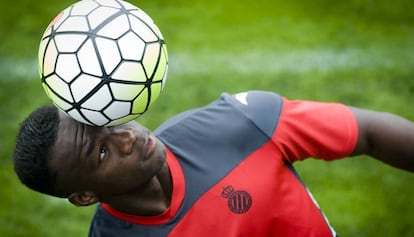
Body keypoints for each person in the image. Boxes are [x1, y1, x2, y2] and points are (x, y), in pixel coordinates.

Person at [13, 90, 414, 237]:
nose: (128, 137)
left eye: (111, 123)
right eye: (101, 152)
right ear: (84, 195)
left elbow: (368, 132)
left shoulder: (237, 122)